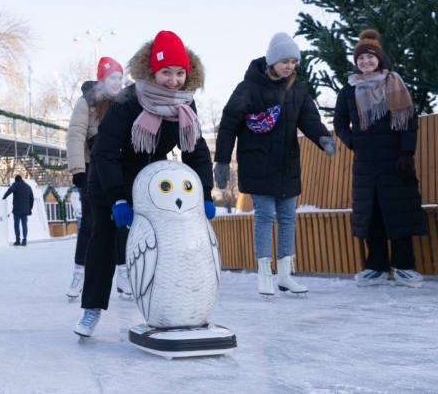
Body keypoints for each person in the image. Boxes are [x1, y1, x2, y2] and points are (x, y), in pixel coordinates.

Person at [75, 31, 216, 337]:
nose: (173, 81)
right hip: (108, 180)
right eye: (166, 72)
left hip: (149, 183)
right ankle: (92, 308)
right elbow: (105, 150)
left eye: (180, 73)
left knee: (164, 240)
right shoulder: (128, 101)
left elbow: (196, 151)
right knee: (103, 240)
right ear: (152, 72)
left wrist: (205, 193)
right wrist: (117, 199)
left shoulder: (185, 107)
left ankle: (166, 302)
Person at [214, 32, 335, 298]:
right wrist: (222, 159)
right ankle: (264, 274)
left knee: (288, 219)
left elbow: (310, 119)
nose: (289, 66)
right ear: (272, 61)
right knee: (266, 217)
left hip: (287, 164)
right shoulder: (248, 88)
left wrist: (323, 137)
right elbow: (229, 122)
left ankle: (285, 275)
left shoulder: (298, 90)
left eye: (293, 61)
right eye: (284, 61)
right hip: (257, 163)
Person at [333, 29, 427, 288]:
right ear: (356, 62)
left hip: (395, 161)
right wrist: (353, 142)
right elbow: (339, 122)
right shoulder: (348, 90)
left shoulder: (393, 83)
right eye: (360, 58)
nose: (365, 62)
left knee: (399, 212)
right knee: (371, 214)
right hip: (366, 165)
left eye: (370, 57)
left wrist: (407, 153)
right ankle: (375, 266)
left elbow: (409, 120)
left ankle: (404, 266)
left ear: (379, 59)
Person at [65, 57, 130, 301]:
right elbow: (75, 135)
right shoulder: (88, 102)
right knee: (91, 224)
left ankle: (123, 275)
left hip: (117, 169)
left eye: (120, 78)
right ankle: (79, 273)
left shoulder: (126, 102)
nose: (117, 82)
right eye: (112, 77)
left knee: (122, 222)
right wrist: (78, 170)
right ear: (102, 80)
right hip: (92, 170)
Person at [2, 174, 34, 246]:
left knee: (16, 225)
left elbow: (10, 190)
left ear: (16, 180)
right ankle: (24, 240)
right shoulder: (28, 187)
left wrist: (4, 197)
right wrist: (30, 208)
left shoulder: (16, 184)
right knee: (24, 225)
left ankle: (17, 240)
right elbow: (32, 199)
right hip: (25, 210)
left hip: (17, 210)